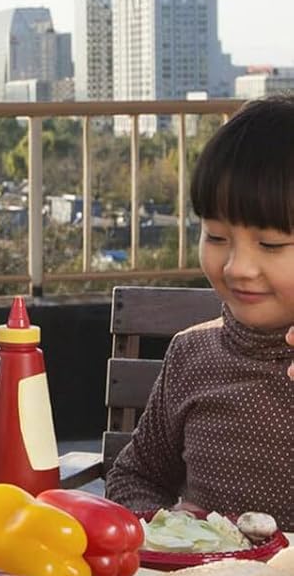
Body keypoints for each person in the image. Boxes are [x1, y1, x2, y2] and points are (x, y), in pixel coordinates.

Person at [107, 99, 294, 528]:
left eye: (270, 244)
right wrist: (167, 527)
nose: (237, 268)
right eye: (216, 236)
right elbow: (135, 474)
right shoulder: (193, 356)